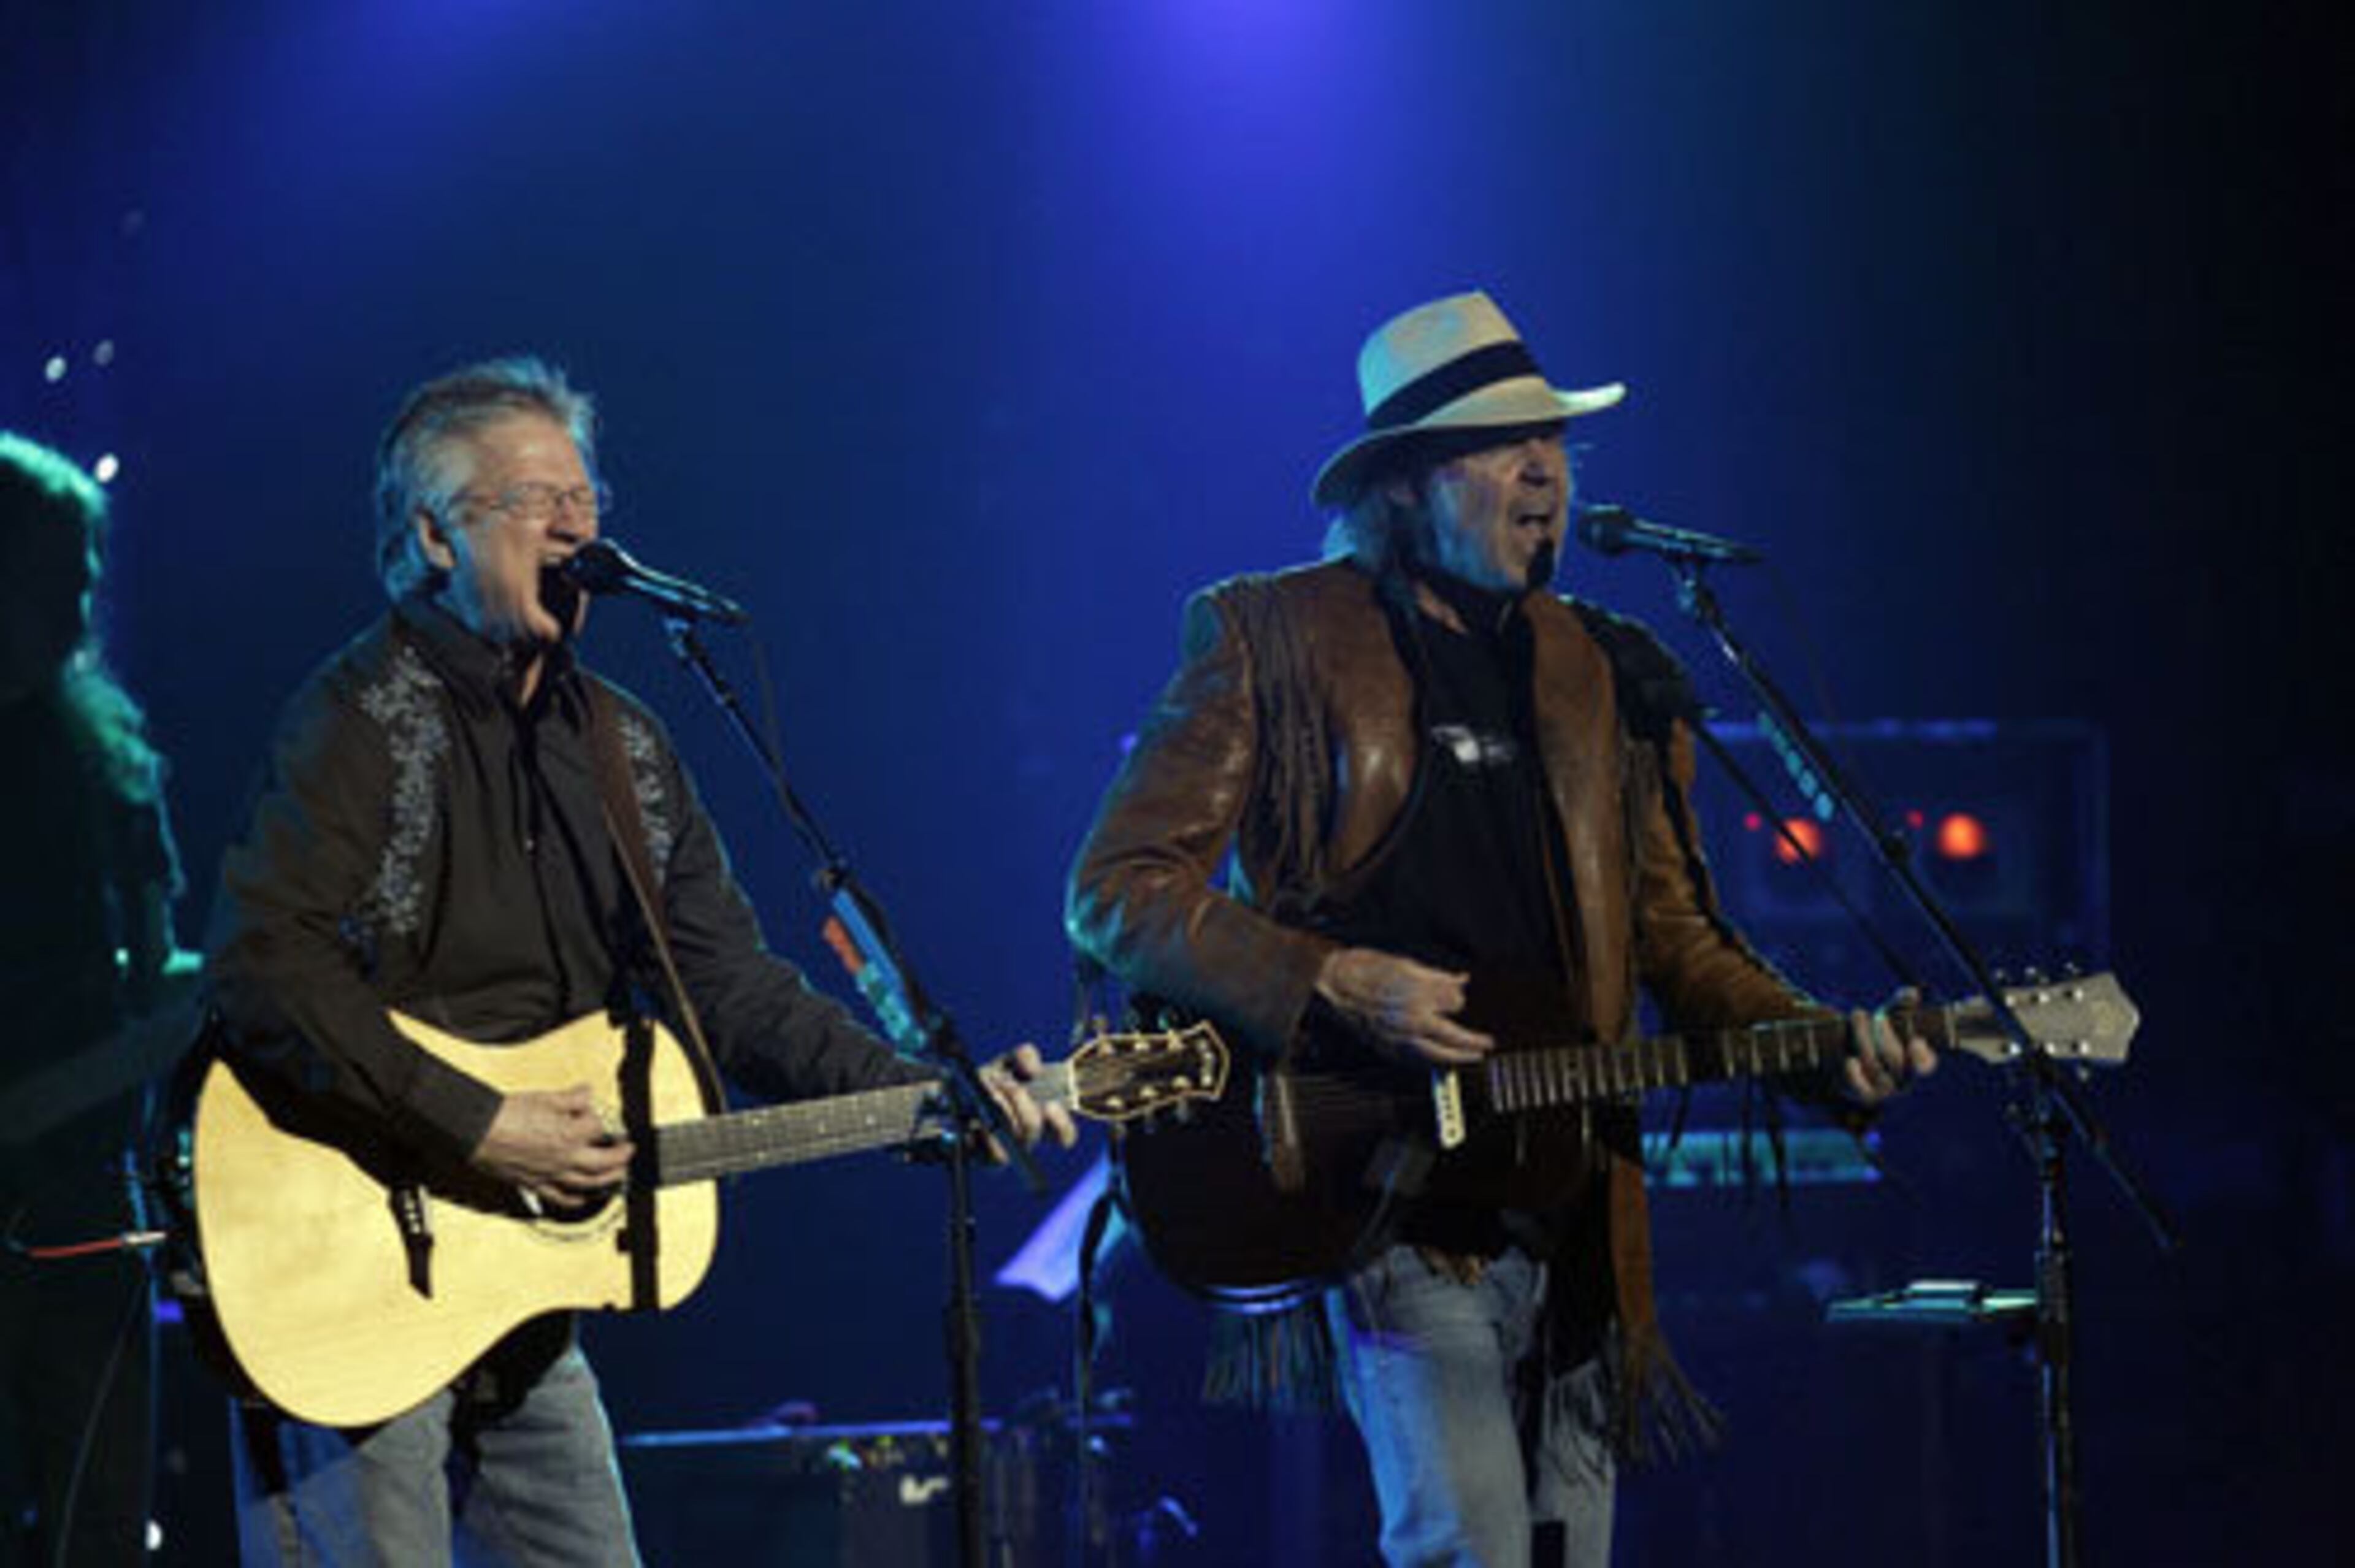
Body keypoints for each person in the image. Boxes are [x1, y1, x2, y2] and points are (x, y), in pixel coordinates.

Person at [1065, 291, 1936, 1567]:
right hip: (1386, 1195)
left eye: (1554, 443)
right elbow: (1118, 885)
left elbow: (1677, 939)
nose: (1543, 470)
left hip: (1571, 1202)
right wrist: (1333, 977)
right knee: (1469, 1546)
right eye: (1500, 443)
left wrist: (1825, 1047)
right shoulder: (1278, 637)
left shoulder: (1610, 669)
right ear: (1410, 484)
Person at [201, 356, 1074, 1567]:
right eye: (531, 498)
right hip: (343, 1247)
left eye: (586, 495)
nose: (574, 523)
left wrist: (927, 1091)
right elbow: (262, 966)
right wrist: (477, 1121)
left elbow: (733, 988)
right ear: (434, 536)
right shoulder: (355, 720)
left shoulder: (623, 746)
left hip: (518, 1298)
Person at [0, 433, 188, 1567]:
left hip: (89, 1202)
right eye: (56, 572)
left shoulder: (112, 763)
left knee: (105, 1533)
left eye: (86, 574)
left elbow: (149, 975)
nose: (80, 602)